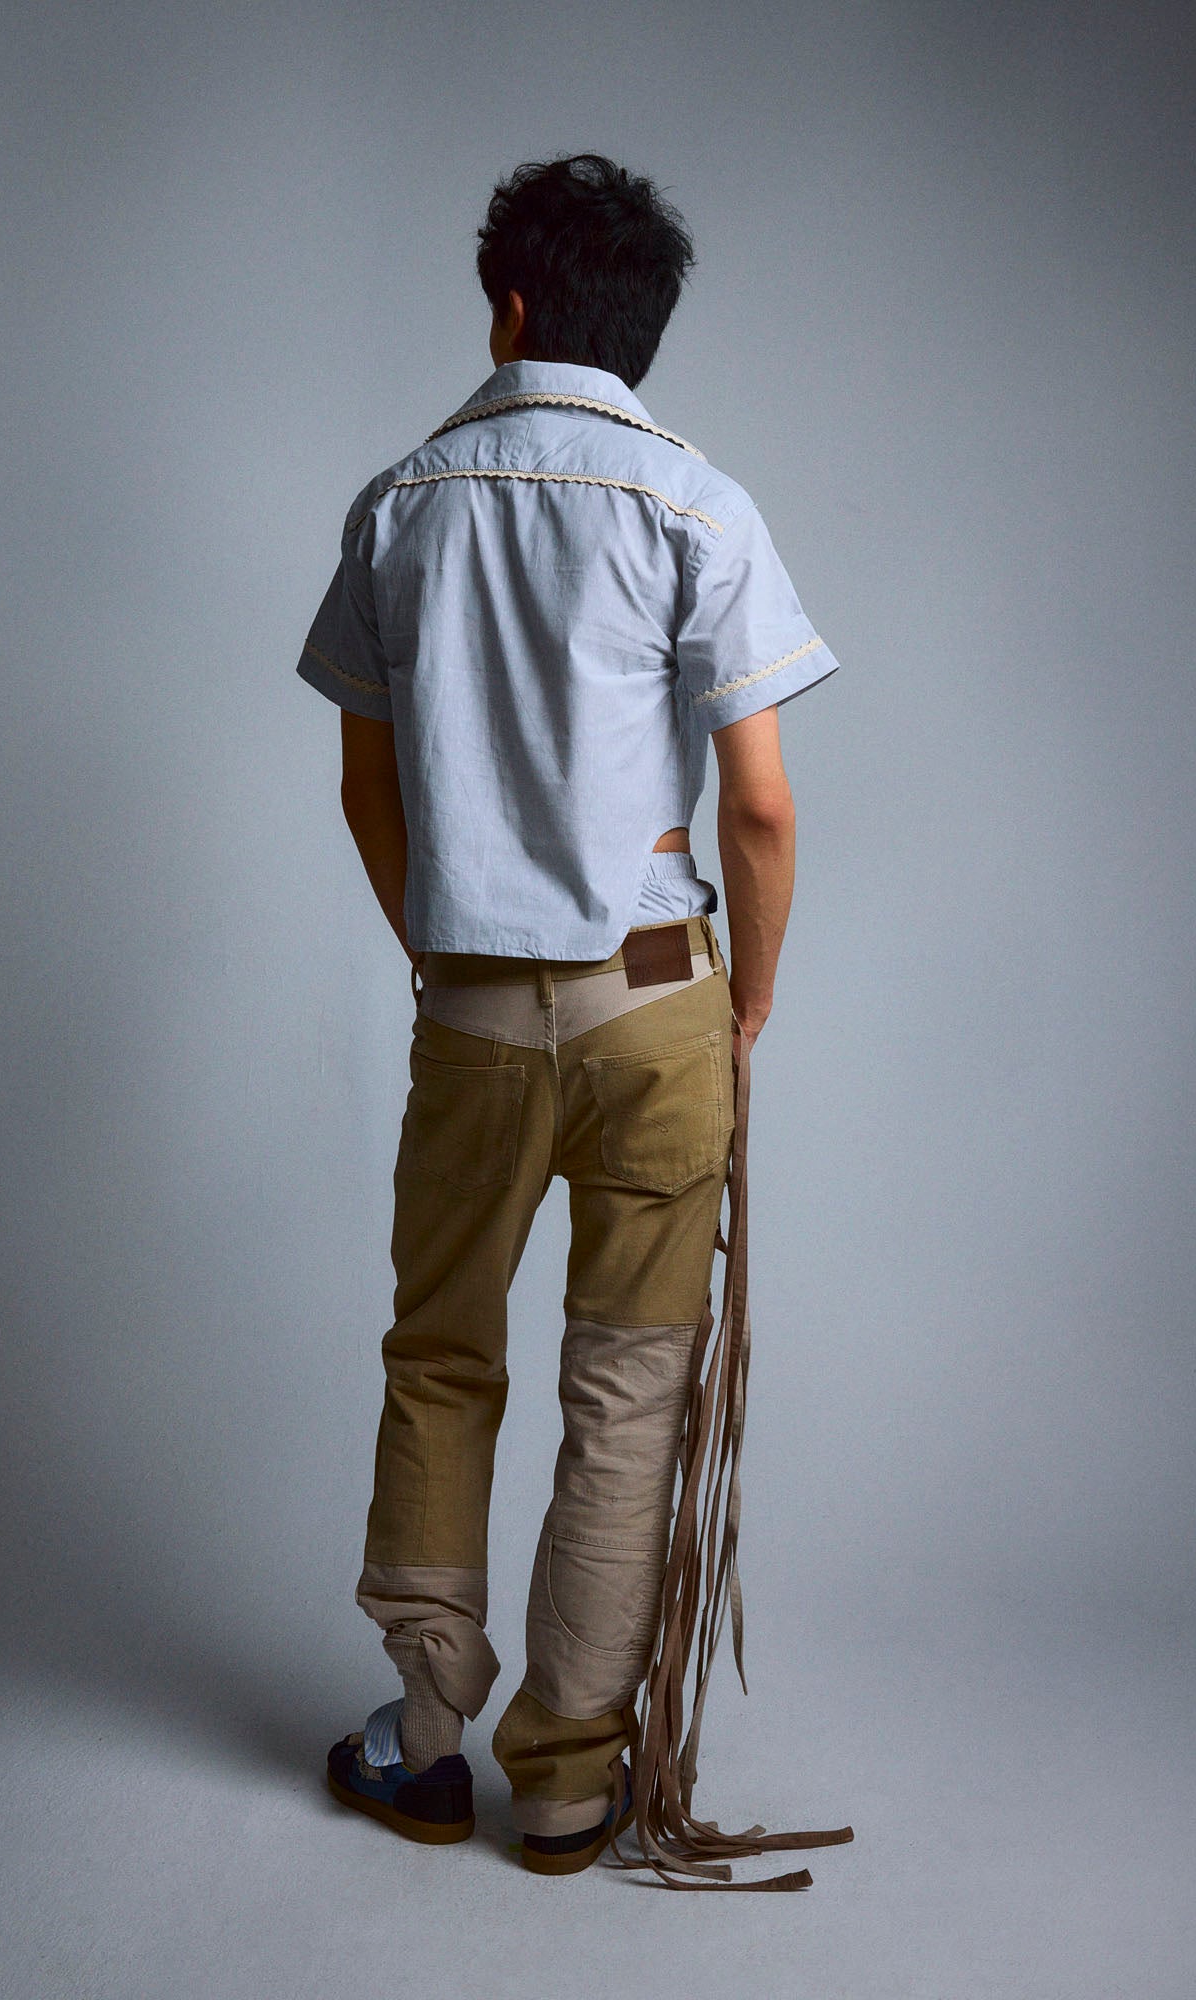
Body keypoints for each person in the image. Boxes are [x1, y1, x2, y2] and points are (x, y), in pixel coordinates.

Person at [296, 153, 850, 1884]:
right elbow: (758, 807)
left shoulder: (398, 501)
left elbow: (366, 786)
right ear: (640, 330)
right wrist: (751, 998)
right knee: (628, 1386)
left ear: (509, 307)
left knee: (441, 1355)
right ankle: (564, 1786)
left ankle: (423, 1743)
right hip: (660, 1001)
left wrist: (445, 955)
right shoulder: (702, 505)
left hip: (471, 1008)